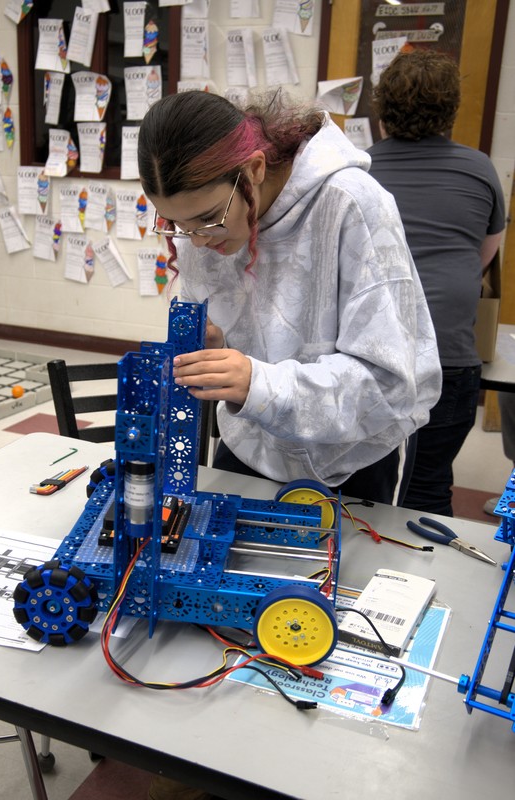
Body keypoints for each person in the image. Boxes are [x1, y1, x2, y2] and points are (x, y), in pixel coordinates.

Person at [137, 89, 441, 800]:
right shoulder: (202, 219)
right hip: (246, 447)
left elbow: (397, 384)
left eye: (209, 219)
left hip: (346, 469)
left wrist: (259, 382)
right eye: (176, 226)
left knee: (331, 649)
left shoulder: (352, 206)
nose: (199, 240)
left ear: (254, 169)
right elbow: (216, 300)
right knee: (226, 624)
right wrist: (209, 338)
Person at [368, 49, 506, 516]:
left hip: (367, 355)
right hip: (449, 358)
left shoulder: (356, 170)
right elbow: (483, 258)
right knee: (428, 488)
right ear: (451, 110)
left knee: (361, 480)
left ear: (382, 108)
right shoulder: (480, 169)